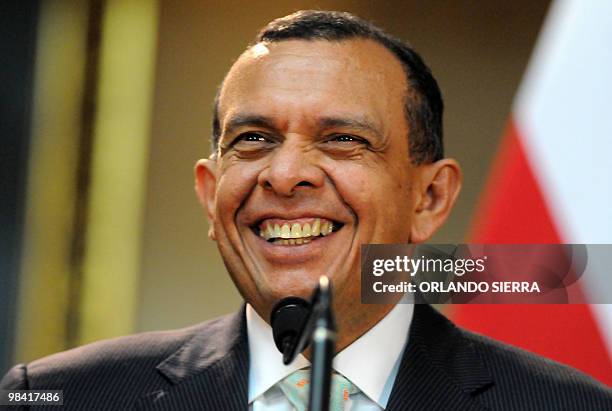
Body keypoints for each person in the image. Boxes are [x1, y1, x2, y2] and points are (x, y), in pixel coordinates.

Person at [1, 10, 610, 411]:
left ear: (429, 199)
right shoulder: (57, 396)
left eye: (343, 139)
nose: (286, 174)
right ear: (211, 194)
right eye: (254, 139)